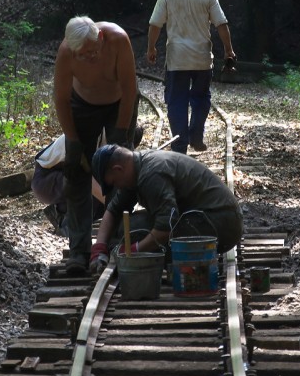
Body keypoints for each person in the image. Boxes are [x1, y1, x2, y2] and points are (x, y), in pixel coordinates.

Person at [54, 16, 139, 275]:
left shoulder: (118, 40)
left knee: (120, 172)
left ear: (100, 38)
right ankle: (79, 251)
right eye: (83, 55)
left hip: (119, 105)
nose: (89, 57)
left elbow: (129, 89)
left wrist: (121, 135)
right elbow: (61, 99)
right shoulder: (66, 53)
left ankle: (114, 244)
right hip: (82, 106)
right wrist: (74, 141)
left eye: (93, 52)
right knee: (76, 175)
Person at [88, 144, 243, 274]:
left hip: (221, 223)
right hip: (206, 218)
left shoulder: (151, 175)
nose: (117, 187)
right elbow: (113, 211)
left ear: (118, 169)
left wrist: (131, 251)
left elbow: (164, 229)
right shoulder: (134, 170)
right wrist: (99, 247)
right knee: (126, 229)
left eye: (114, 182)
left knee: (134, 233)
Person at [147, 0, 237, 154]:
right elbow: (221, 24)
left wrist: (151, 47)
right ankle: (196, 136)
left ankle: (179, 145)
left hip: (177, 59)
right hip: (202, 59)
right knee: (201, 98)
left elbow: (155, 24)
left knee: (176, 100)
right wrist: (229, 50)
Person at [31, 127, 144, 235]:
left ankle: (63, 212)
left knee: (104, 190)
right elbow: (91, 181)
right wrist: (119, 206)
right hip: (44, 180)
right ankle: (68, 226)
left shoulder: (107, 139)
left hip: (64, 175)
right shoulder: (92, 136)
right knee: (96, 187)